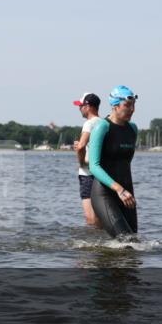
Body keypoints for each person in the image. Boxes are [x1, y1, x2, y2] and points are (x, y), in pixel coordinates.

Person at [87, 86, 140, 236]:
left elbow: (126, 162)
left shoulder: (133, 129)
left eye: (134, 105)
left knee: (133, 240)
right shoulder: (102, 127)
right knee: (125, 241)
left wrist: (125, 191)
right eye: (127, 105)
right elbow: (94, 166)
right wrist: (119, 189)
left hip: (126, 192)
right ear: (115, 106)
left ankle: (105, 258)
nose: (132, 109)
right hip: (105, 193)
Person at [72, 93, 102, 227]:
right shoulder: (104, 123)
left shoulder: (89, 124)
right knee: (101, 213)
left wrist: (81, 162)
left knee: (90, 217)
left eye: (81, 106)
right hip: (101, 174)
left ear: (88, 106)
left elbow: (81, 147)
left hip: (88, 174)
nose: (79, 109)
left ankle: (93, 243)